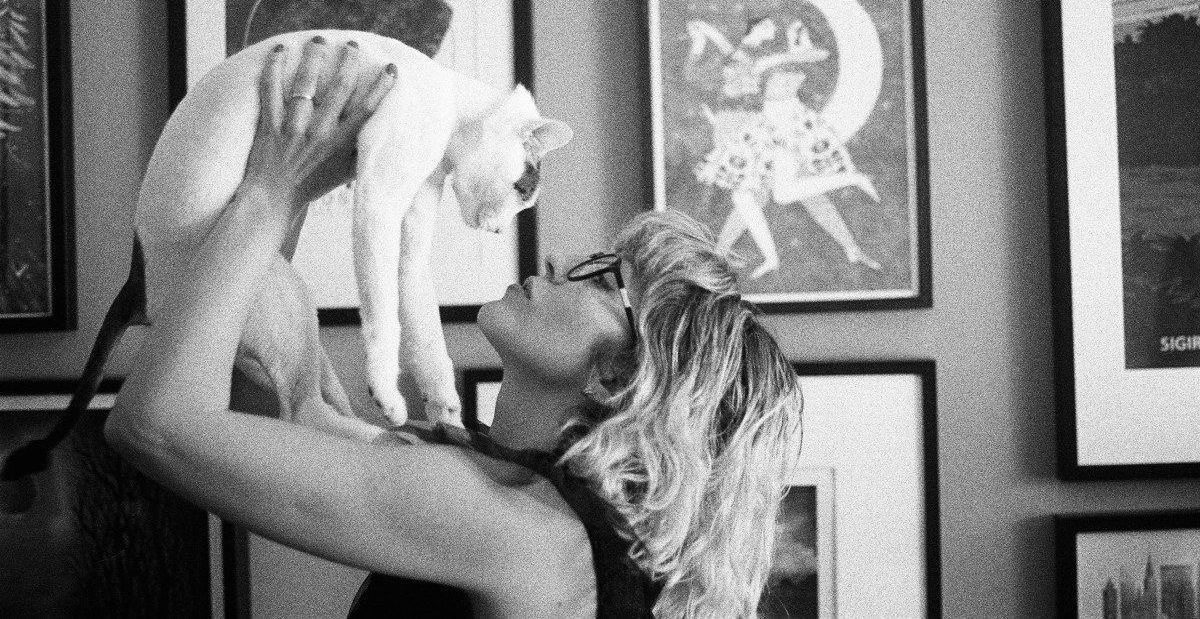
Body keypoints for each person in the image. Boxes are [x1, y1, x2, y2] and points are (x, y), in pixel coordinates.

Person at [105, 36, 804, 619]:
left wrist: (271, 190)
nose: (559, 262)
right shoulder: (507, 490)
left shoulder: (523, 531)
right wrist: (287, 191)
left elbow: (157, 426)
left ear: (622, 375)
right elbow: (291, 413)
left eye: (602, 278)